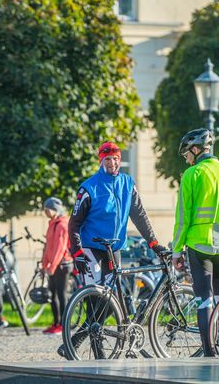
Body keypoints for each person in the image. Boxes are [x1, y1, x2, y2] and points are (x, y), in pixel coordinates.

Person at [59, 141, 164, 358]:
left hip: (113, 248)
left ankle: (74, 342)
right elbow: (74, 223)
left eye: (115, 159)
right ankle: (97, 353)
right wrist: (77, 252)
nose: (112, 163)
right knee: (95, 298)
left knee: (111, 301)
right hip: (90, 248)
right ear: (101, 161)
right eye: (107, 159)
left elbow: (139, 216)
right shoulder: (89, 187)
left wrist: (153, 243)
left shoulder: (128, 183)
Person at [171, 128, 219, 357]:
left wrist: (176, 250)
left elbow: (183, 218)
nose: (186, 158)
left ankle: (209, 353)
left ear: (196, 150)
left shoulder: (191, 174)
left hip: (198, 244)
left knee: (204, 300)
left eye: (187, 153)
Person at [41, 197, 73, 336]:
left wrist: (52, 266)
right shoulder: (52, 224)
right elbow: (48, 246)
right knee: (51, 295)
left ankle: (64, 325)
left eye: (47, 209)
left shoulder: (61, 225)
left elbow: (59, 249)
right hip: (54, 265)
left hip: (62, 265)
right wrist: (44, 265)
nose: (45, 212)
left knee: (61, 295)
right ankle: (56, 323)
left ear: (55, 210)